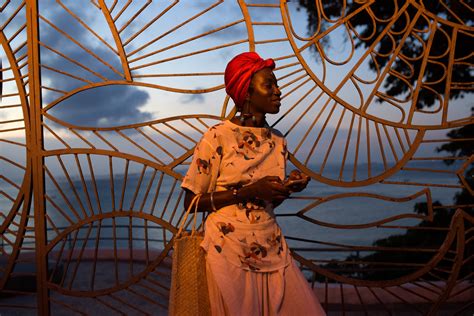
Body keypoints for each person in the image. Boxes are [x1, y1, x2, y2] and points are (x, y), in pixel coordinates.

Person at [181, 52, 326, 315]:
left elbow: (267, 202)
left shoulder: (278, 141)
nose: (278, 91)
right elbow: (190, 203)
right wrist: (247, 192)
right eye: (269, 85)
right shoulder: (217, 137)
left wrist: (286, 188)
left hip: (272, 246)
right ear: (247, 93)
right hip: (228, 251)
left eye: (276, 84)